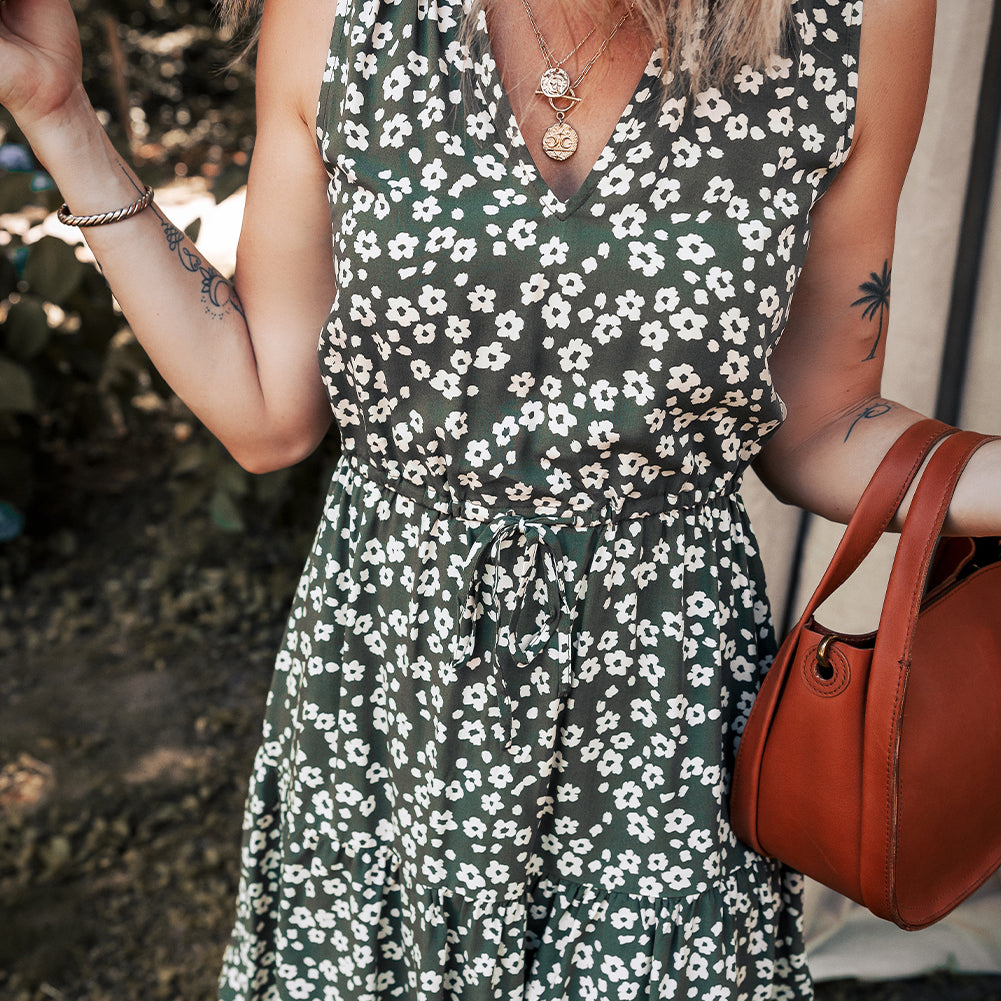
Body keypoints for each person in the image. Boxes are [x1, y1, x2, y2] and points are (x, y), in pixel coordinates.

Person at [1, 0, 997, 997]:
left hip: (661, 733)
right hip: (386, 714)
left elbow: (819, 422)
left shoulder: (855, 19)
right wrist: (61, 118)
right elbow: (266, 409)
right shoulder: (337, 13)